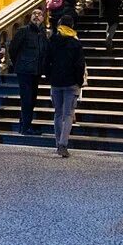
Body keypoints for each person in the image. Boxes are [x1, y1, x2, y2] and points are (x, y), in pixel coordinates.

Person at [45, 13, 86, 158]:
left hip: (56, 82)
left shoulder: (53, 40)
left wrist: (49, 77)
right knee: (68, 114)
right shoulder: (75, 43)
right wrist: (79, 81)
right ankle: (63, 144)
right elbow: (80, 64)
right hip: (71, 83)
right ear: (72, 26)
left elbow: (46, 60)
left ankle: (58, 143)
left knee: (58, 113)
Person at [8, 9, 49, 134]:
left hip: (36, 71)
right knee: (27, 99)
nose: (37, 16)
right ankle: (26, 127)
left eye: (40, 14)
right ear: (30, 17)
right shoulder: (23, 31)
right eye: (34, 14)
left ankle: (25, 124)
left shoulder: (43, 33)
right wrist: (19, 64)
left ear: (43, 18)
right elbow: (13, 49)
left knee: (32, 98)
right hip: (25, 70)